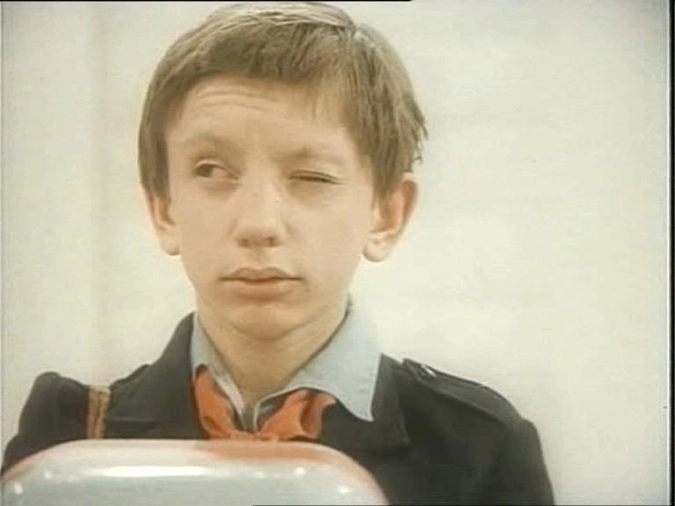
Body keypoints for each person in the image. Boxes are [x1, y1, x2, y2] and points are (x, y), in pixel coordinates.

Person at [1, 2, 554, 504]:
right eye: (211, 171)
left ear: (386, 214)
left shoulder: (477, 447)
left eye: (312, 176)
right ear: (164, 209)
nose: (259, 225)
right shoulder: (70, 438)